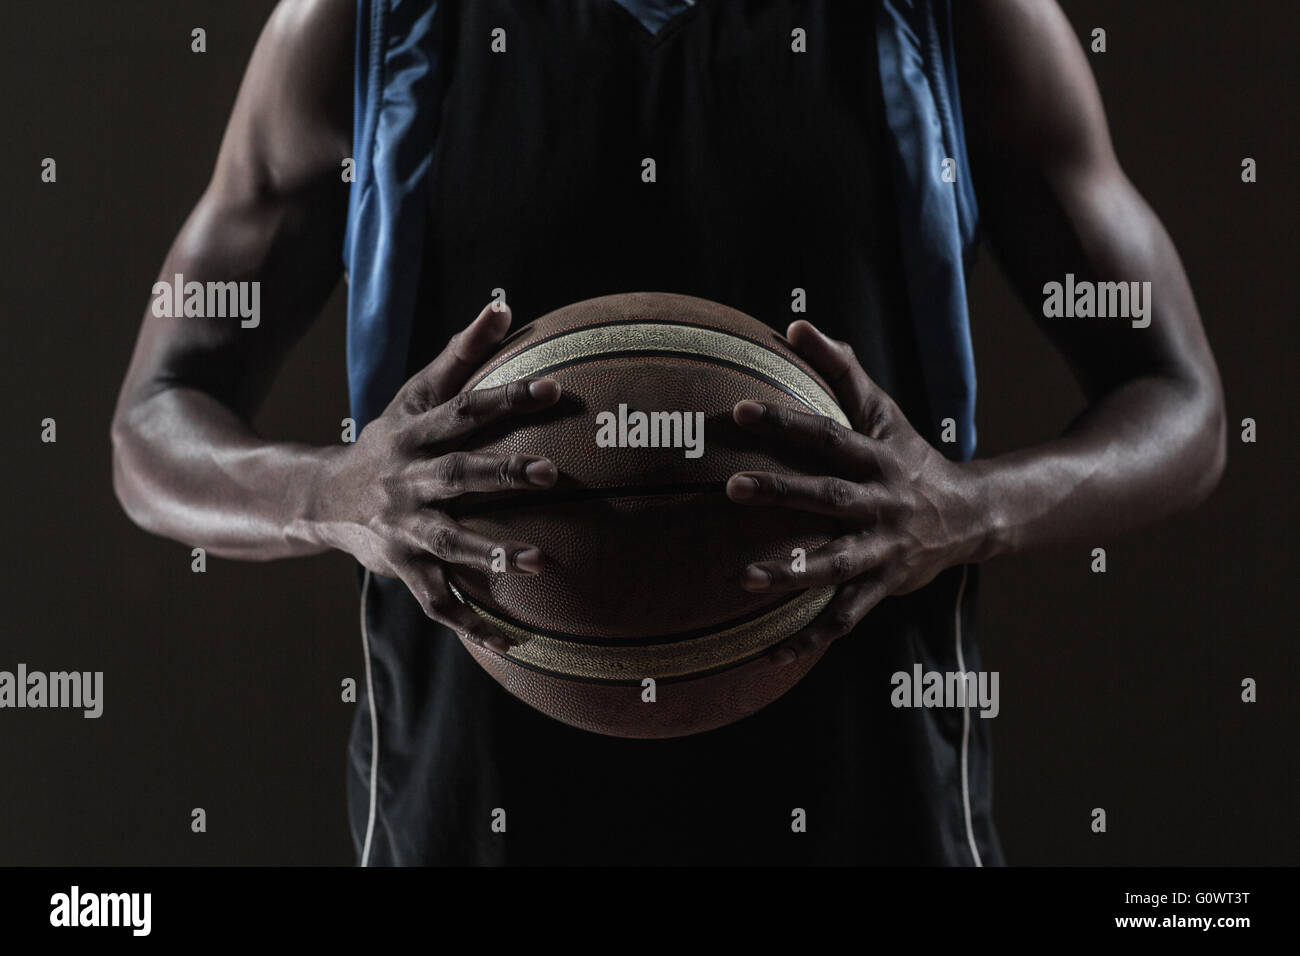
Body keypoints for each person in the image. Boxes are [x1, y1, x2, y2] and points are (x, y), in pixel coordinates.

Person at [111, 0, 1225, 865]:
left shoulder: (940, 18)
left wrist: (963, 508)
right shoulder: (368, 24)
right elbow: (151, 422)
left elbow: (1182, 404)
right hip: (470, 820)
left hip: (869, 812)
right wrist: (336, 496)